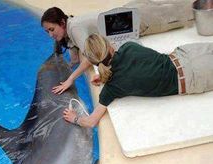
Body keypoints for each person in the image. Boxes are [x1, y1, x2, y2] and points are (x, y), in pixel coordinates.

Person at [63, 33, 213, 128]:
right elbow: (146, 67)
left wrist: (75, 118)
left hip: (195, 75)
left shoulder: (112, 88)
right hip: (186, 54)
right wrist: (105, 77)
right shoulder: (130, 47)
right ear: (110, 46)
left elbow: (91, 122)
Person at [41, 2, 194, 95]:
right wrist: (67, 67)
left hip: (140, 20)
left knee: (186, 12)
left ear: (62, 22)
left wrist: (70, 79)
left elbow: (89, 58)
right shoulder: (70, 27)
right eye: (47, 31)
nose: (49, 35)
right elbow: (74, 54)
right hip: (128, 12)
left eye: (51, 29)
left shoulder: (74, 28)